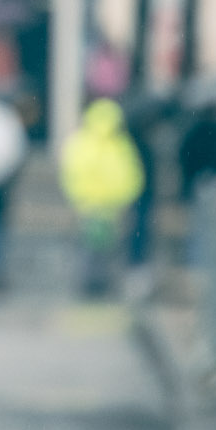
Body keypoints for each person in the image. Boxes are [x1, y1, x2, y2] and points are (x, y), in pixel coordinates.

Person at [60, 98, 146, 300]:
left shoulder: (82, 141)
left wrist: (79, 198)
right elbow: (131, 174)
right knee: (105, 247)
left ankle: (91, 283)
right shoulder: (119, 143)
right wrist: (125, 197)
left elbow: (71, 172)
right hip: (109, 206)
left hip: (90, 205)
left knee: (91, 246)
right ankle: (100, 283)